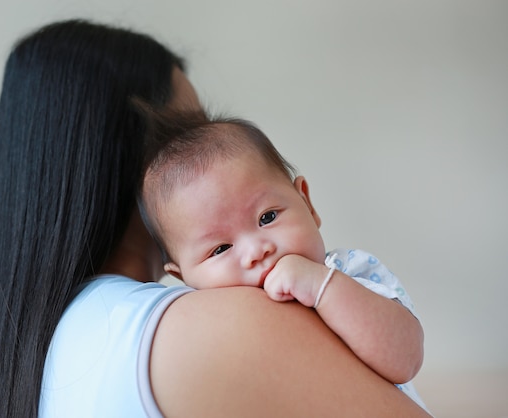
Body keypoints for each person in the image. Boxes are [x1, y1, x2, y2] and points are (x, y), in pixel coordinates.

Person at [0, 19, 432, 417]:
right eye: (189, 133)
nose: (256, 250)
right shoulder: (222, 326)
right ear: (133, 166)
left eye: (266, 215)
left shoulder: (33, 359)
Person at [138, 111, 427, 409]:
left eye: (267, 217)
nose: (256, 251)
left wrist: (322, 287)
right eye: (221, 249)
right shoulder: (201, 334)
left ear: (306, 203)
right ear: (184, 277)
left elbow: (407, 358)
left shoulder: (348, 271)